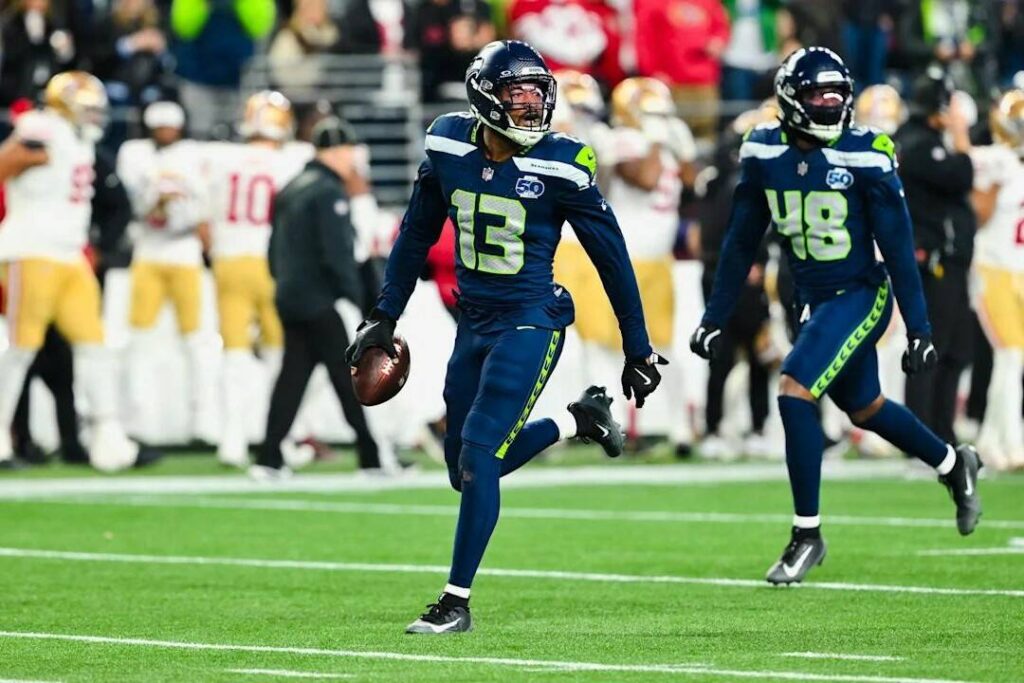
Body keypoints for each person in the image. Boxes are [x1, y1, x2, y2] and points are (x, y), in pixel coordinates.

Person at [346, 40, 665, 633]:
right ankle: (580, 420)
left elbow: (612, 259)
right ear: (485, 98)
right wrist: (384, 315)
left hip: (532, 319)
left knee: (481, 451)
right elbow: (415, 235)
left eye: (537, 96)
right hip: (474, 321)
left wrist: (637, 345)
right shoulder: (447, 144)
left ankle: (455, 601)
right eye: (517, 97)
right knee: (463, 469)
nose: (532, 108)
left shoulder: (563, 162)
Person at [690, 48, 983, 586]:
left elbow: (898, 246)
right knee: (865, 406)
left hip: (859, 292)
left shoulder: (868, 152)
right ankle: (952, 463)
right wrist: (715, 314)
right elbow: (740, 241)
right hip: (808, 298)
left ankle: (807, 534)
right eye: (817, 96)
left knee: (794, 389)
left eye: (836, 96)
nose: (828, 105)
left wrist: (919, 328)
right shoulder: (762, 150)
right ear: (790, 100)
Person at [0, 71, 149, 471]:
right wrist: (25, 158)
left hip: (70, 255)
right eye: (88, 108)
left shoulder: (79, 140)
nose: (95, 117)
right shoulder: (41, 127)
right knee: (20, 349)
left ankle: (108, 437)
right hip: (31, 249)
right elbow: (5, 162)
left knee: (95, 347)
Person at [257, 117, 382, 478]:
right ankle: (372, 456)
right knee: (347, 379)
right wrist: (360, 302)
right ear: (339, 152)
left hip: (289, 296)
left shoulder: (292, 186)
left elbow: (272, 248)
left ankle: (268, 457)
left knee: (291, 381)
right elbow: (337, 253)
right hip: (316, 300)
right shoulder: (328, 191)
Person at [200, 90, 314, 467]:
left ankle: (231, 441)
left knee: (232, 353)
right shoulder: (293, 160)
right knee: (279, 355)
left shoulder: (220, 159)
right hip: (271, 262)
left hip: (229, 261)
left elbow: (203, 219)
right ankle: (279, 439)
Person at [118, 100, 218, 444]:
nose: (165, 133)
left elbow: (202, 205)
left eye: (170, 127)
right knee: (139, 339)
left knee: (198, 341)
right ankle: (138, 421)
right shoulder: (134, 154)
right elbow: (138, 203)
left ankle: (203, 420)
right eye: (159, 127)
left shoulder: (194, 154)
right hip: (148, 251)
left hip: (184, 251)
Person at [896, 71, 976, 445]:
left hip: (952, 260)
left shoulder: (924, 141)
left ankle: (941, 433)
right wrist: (960, 138)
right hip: (934, 261)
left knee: (956, 349)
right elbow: (961, 175)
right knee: (931, 349)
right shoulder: (917, 145)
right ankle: (921, 438)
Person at [969, 89, 1024, 471]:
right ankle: (1011, 442)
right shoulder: (997, 161)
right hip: (992, 268)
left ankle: (991, 439)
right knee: (1011, 356)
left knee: (1012, 360)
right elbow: (980, 214)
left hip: (1017, 271)